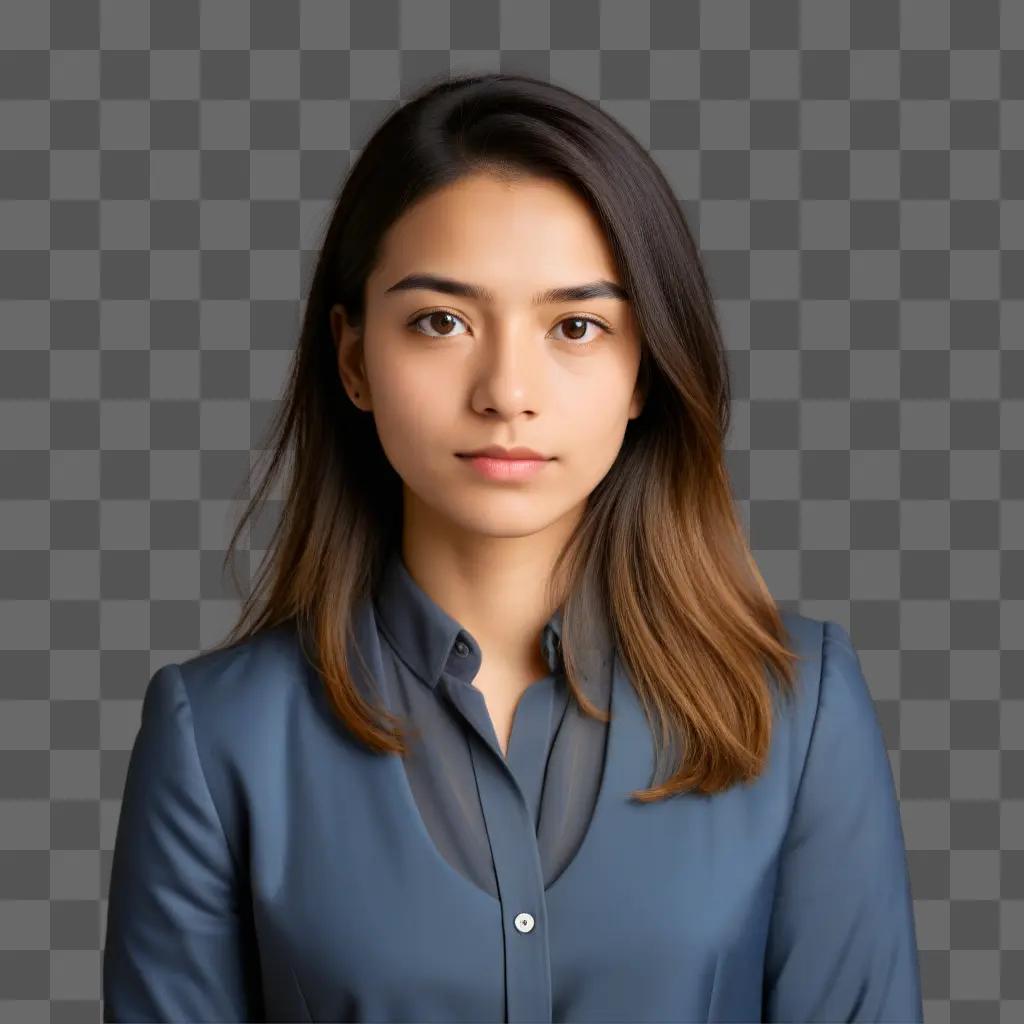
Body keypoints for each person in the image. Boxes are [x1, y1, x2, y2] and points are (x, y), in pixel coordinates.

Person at [102, 71, 924, 1023]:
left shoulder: (799, 707)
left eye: (576, 326)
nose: (506, 392)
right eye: (440, 322)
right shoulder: (218, 738)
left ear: (643, 371)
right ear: (356, 357)